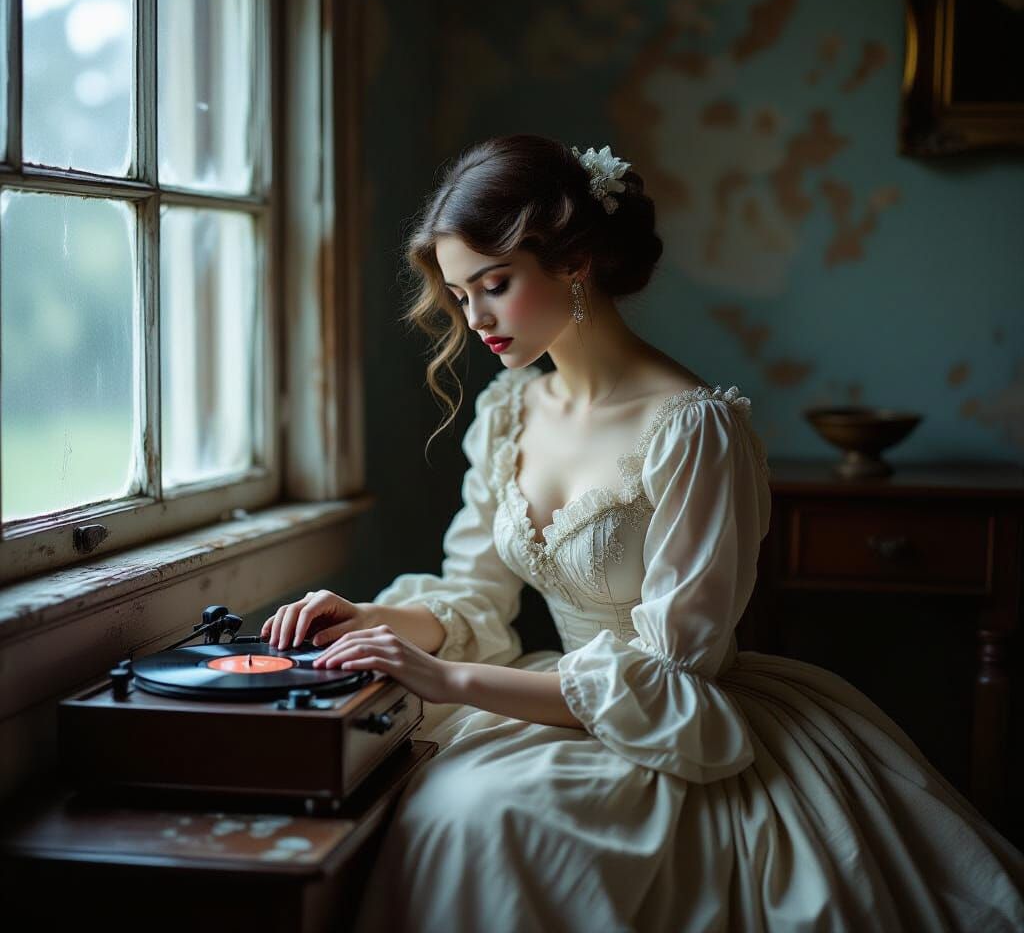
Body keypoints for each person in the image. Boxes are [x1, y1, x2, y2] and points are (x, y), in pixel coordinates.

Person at [263, 135, 1024, 932]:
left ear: (574, 261)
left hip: (666, 723)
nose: (475, 318)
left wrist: (447, 680)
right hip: (550, 694)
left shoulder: (694, 428)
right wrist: (370, 620)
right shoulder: (509, 412)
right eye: (459, 295)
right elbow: (474, 594)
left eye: (494, 284)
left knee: (480, 818)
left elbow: (671, 668)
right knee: (404, 796)